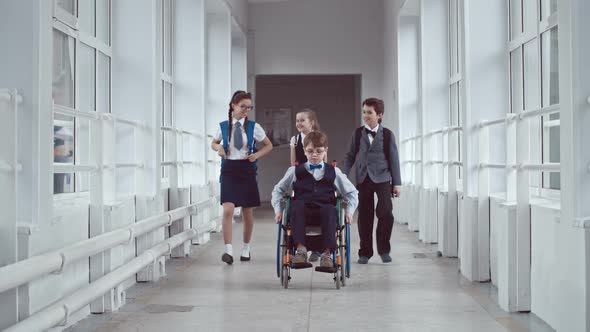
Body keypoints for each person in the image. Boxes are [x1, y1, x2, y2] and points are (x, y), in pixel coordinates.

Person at [272, 131, 358, 268]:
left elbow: (352, 192)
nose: (314, 155)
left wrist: (349, 212)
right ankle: (300, 251)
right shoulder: (294, 171)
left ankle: (327, 254)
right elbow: (278, 190)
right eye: (310, 151)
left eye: (319, 151)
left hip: (324, 212)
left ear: (325, 151)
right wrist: (278, 211)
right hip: (302, 212)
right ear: (304, 151)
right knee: (296, 206)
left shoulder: (334, 172)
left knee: (330, 210)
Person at [211, 90, 273, 265]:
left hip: (247, 170)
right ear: (233, 106)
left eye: (249, 107)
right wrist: (219, 149)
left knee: (247, 213)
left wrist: (256, 155)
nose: (246, 110)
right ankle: (228, 250)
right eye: (243, 106)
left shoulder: (254, 127)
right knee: (228, 210)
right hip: (229, 170)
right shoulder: (223, 126)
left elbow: (268, 145)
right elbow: (214, 143)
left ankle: (246, 247)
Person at [341, 97, 401, 264]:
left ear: (379, 115)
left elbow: (394, 159)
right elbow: (350, 156)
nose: (366, 115)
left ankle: (384, 249)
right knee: (365, 216)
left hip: (383, 178)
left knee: (386, 212)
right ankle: (365, 252)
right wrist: (343, 176)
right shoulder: (358, 133)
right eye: (364, 112)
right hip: (363, 177)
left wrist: (397, 183)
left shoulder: (388, 135)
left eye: (369, 112)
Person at [289, 108, 326, 262]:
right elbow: (293, 162)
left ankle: (318, 248)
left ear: (311, 122)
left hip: (317, 176)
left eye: (302, 120)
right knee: (297, 207)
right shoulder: (295, 140)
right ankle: (297, 246)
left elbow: (325, 161)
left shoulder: (319, 137)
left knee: (321, 207)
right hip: (302, 176)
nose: (299, 123)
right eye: (297, 120)